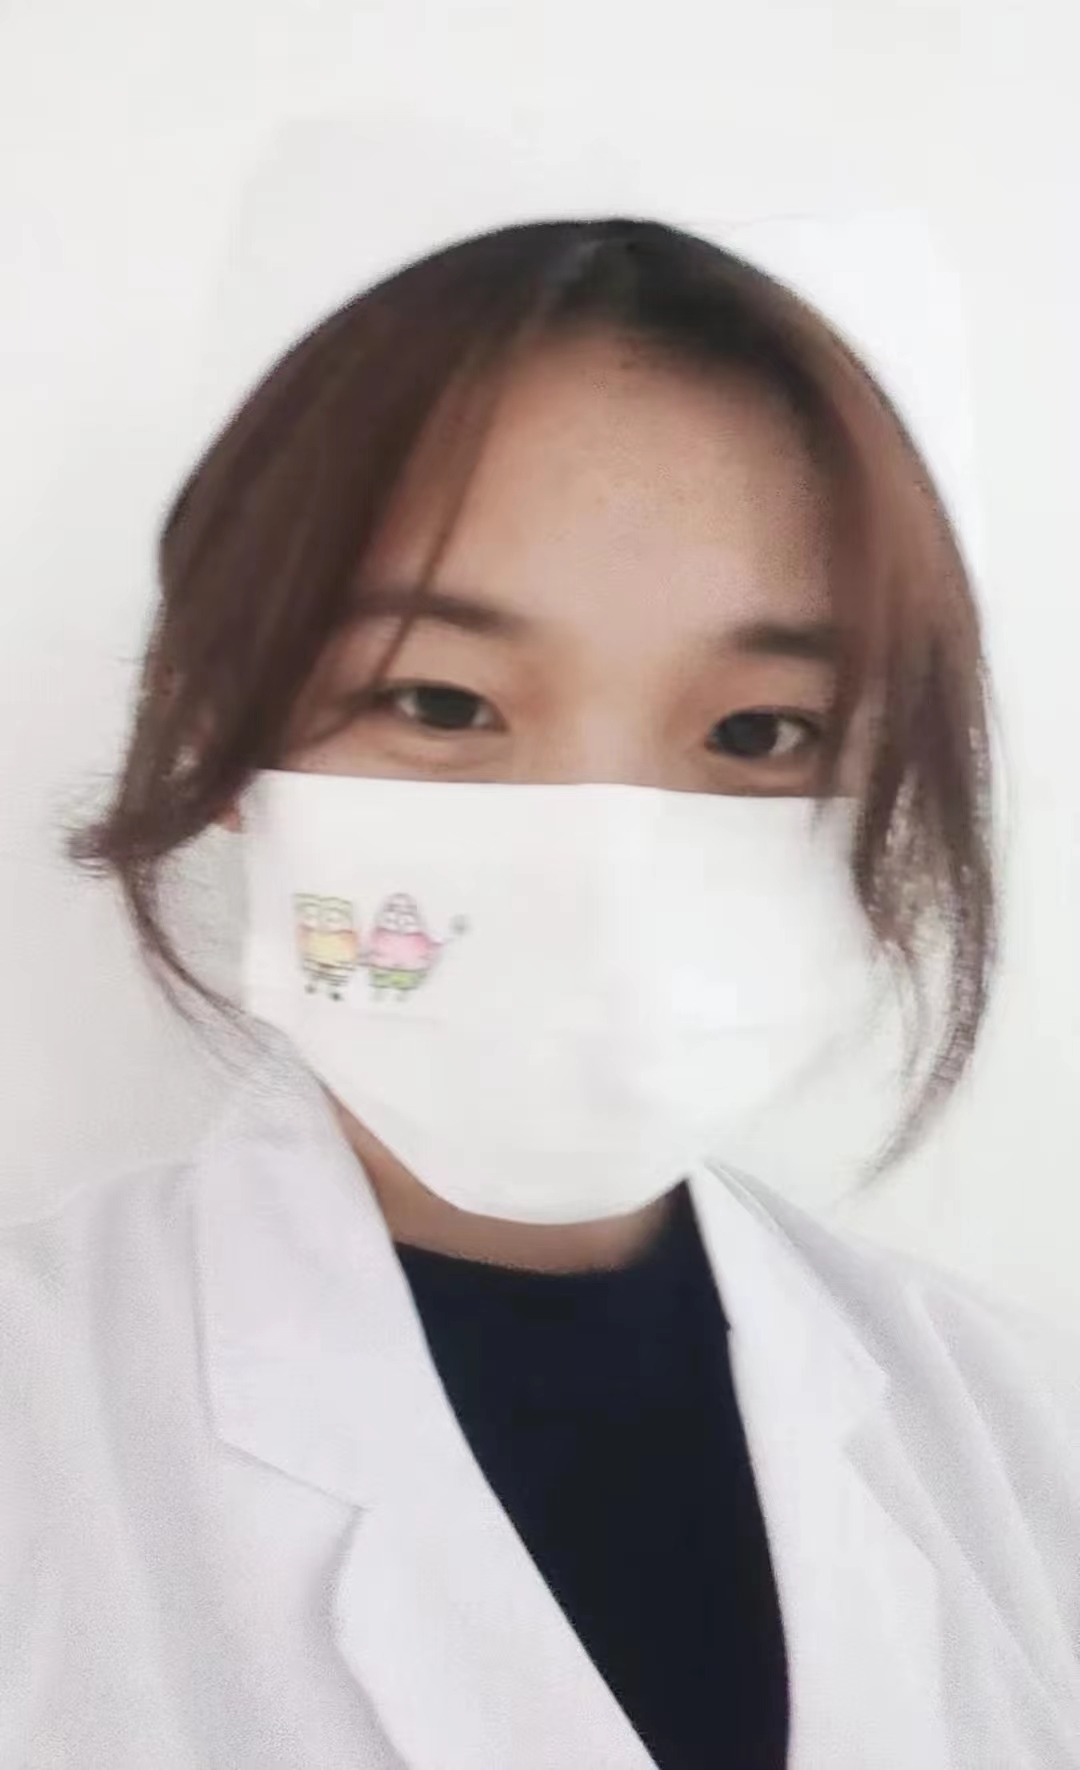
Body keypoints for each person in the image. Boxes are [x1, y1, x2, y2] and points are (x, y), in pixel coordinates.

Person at [3, 217, 1078, 1770]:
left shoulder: (1019, 1434)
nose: (601, 868)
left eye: (761, 731)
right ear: (226, 738)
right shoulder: (39, 1428)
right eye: (442, 701)